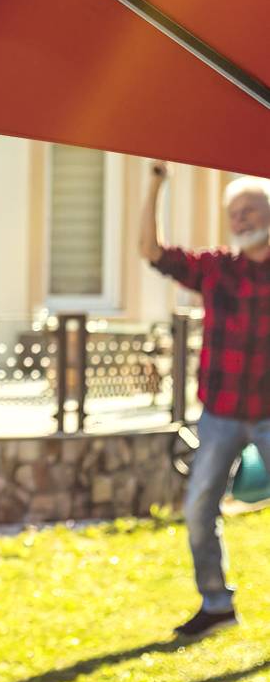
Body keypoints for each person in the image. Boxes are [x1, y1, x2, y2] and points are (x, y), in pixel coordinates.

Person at [142, 161, 270, 637]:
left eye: (251, 209)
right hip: (221, 414)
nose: (241, 219)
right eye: (234, 212)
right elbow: (151, 251)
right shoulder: (217, 269)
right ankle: (216, 604)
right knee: (199, 509)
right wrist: (155, 185)